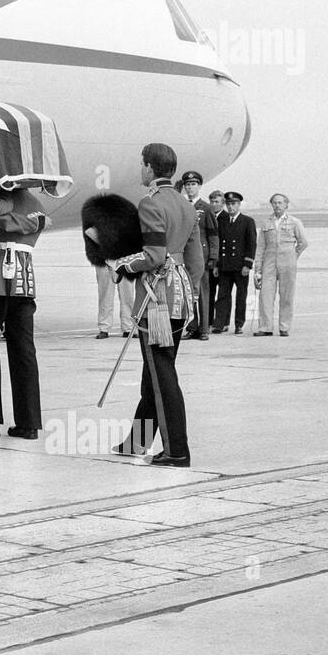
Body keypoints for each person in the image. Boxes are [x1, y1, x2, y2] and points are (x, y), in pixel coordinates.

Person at [106, 143, 203, 466]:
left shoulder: (150, 203)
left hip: (156, 299)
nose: (141, 168)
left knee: (162, 377)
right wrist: (188, 293)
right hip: (180, 296)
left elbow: (154, 256)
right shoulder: (186, 205)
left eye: (142, 164)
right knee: (156, 372)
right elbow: (195, 261)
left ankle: (177, 449)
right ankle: (137, 442)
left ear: (149, 168)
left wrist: (123, 266)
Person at [0, 186, 45, 439]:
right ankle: (29, 421)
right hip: (24, 281)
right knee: (24, 350)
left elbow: (5, 220)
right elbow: (28, 224)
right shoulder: (37, 204)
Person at [253, 194, 309, 336]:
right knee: (265, 295)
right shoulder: (266, 223)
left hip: (287, 262)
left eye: (280, 203)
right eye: (274, 203)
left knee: (286, 295)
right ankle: (265, 327)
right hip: (269, 261)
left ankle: (284, 326)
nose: (277, 205)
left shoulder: (294, 222)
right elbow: (260, 247)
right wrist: (258, 268)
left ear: (286, 205)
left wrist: (293, 256)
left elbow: (303, 242)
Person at [178, 171, 218, 340]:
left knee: (202, 293)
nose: (190, 187)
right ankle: (192, 327)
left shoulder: (206, 208)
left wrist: (213, 257)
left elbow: (213, 234)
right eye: (187, 185)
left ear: (199, 186)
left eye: (193, 184)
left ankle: (203, 329)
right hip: (184, 255)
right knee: (187, 293)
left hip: (201, 256)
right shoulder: (180, 205)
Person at [213, 190, 257, 334]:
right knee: (222, 296)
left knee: (241, 297)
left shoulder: (247, 221)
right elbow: (219, 244)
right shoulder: (222, 221)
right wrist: (217, 264)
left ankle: (239, 324)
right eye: (228, 204)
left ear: (239, 205)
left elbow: (251, 244)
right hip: (225, 266)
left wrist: (248, 264)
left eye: (234, 204)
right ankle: (219, 324)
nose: (231, 207)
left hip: (240, 266)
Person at [95, 263, 135, 339]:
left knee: (128, 295)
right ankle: (104, 328)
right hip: (105, 260)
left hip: (126, 260)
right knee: (105, 295)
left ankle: (128, 327)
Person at [205, 189, 224, 328]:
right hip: (210, 261)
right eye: (212, 201)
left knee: (223, 295)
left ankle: (222, 322)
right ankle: (209, 320)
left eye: (217, 202)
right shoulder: (207, 215)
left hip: (223, 262)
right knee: (209, 293)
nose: (213, 204)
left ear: (222, 203)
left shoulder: (226, 218)